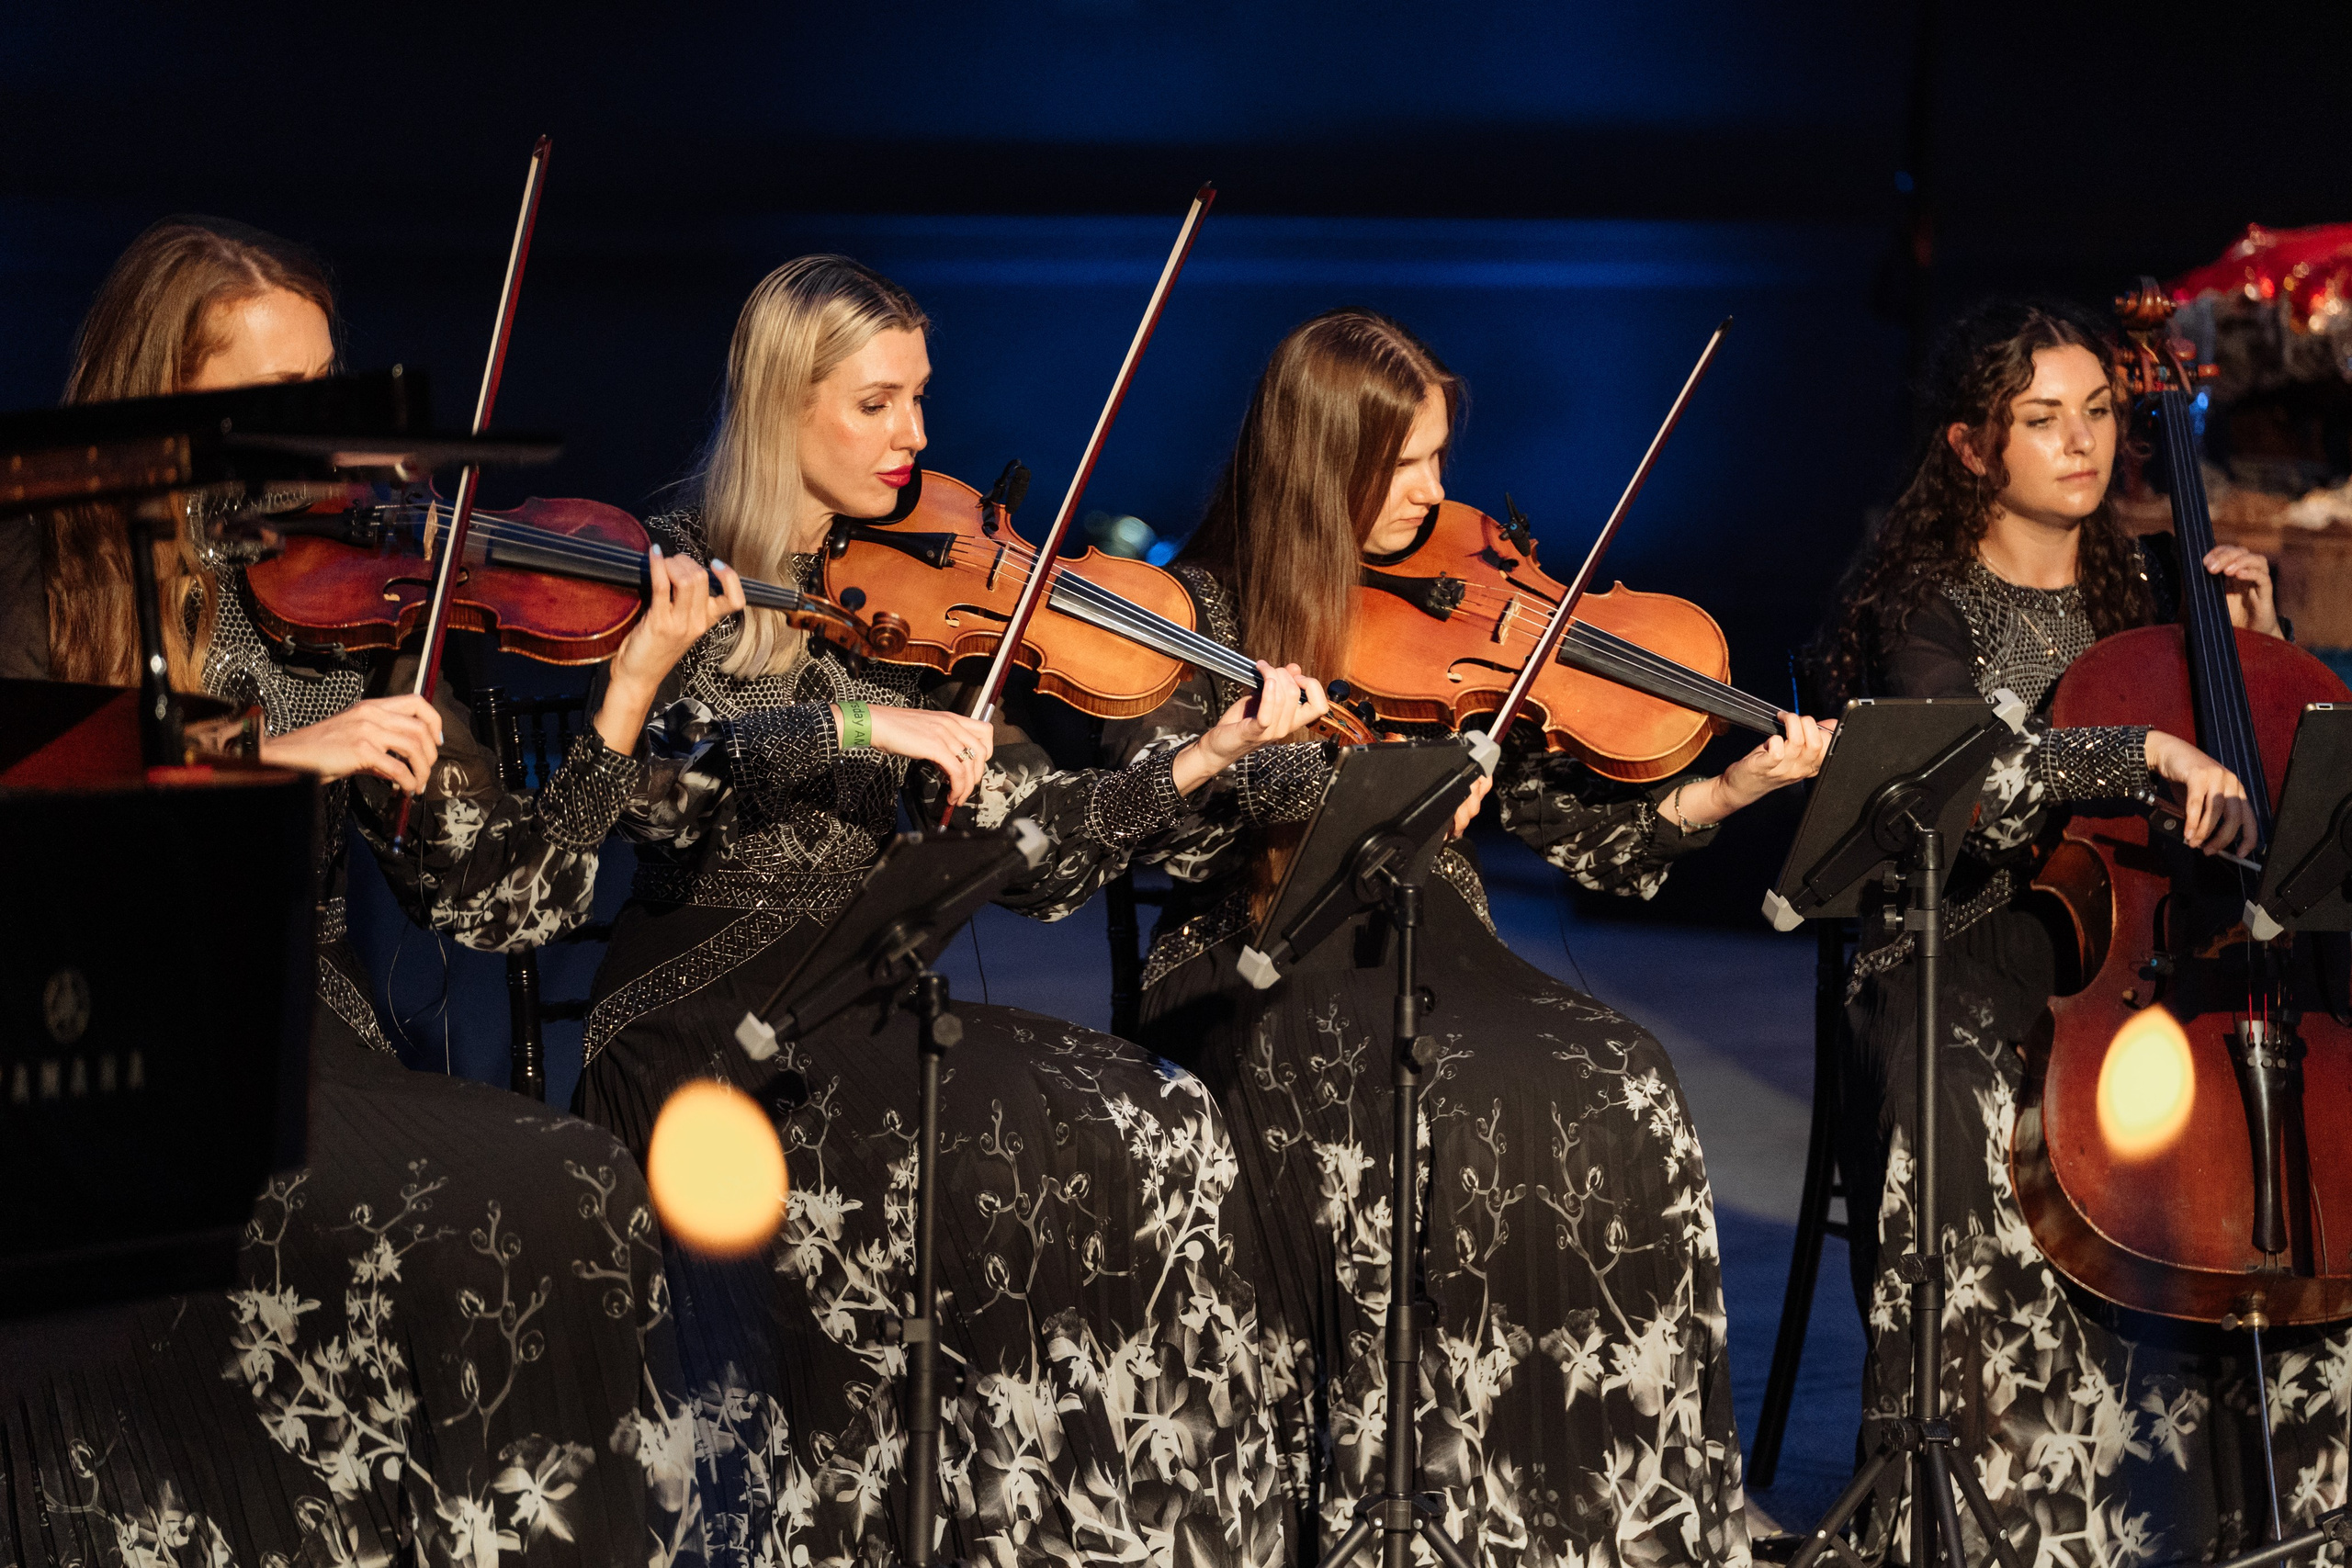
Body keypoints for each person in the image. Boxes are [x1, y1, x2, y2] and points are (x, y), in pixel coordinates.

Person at [571, 254, 1322, 1568]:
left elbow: (1036, 855)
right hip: (710, 1008)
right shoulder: (682, 575)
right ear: (781, 405)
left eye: (921, 400)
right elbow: (677, 763)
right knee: (991, 1163)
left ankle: (1096, 1528)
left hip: (872, 987)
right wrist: (865, 721)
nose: (918, 437)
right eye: (879, 403)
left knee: (1171, 1129)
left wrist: (1198, 763)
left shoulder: (917, 600)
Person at [0, 216, 718, 1564]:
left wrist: (624, 701)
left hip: (300, 1033)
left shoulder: (358, 598)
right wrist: (264, 757)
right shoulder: (50, 564)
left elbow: (507, 907)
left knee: (576, 1178)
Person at [1098, 308, 1829, 1568]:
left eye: (1440, 458)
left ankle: (1632, 1495)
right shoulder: (1195, 608)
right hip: (1258, 955)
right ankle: (1424, 1495)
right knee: (1435, 1102)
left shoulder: (1448, 614)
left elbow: (1589, 835)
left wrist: (1725, 792)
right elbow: (1149, 819)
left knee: (1623, 1079)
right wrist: (1319, 778)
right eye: (1411, 464)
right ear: (1323, 460)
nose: (1440, 494)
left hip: (1443, 942)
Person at [1814, 296, 2340, 1565]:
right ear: (1971, 448)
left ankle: (2274, 1502)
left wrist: (2252, 657)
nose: (2083, 443)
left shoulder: (2158, 587)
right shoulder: (1923, 609)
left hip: (2140, 947)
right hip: (1964, 936)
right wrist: (2133, 745)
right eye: (2042, 420)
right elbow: (1963, 787)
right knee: (1963, 1092)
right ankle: (2012, 1507)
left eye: (2101, 413)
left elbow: (2253, 800)